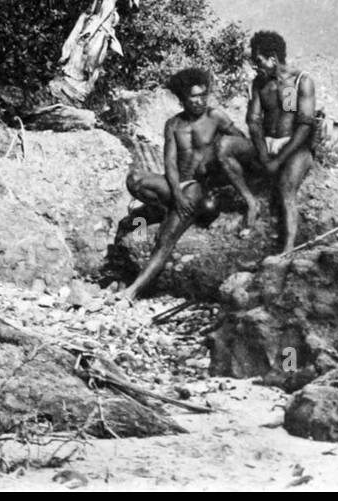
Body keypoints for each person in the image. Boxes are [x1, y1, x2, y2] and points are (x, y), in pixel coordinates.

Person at [122, 67, 241, 301]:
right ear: (182, 99)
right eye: (193, 97)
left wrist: (223, 180)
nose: (199, 101)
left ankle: (132, 291)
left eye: (203, 95)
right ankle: (155, 214)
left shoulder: (216, 116)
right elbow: (170, 163)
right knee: (134, 180)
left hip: (199, 188)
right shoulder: (173, 125)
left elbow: (240, 144)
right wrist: (176, 192)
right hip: (178, 184)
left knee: (164, 239)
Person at [215, 29, 317, 255]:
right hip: (266, 146)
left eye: (258, 61)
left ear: (273, 58)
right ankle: (251, 202)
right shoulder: (261, 84)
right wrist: (263, 154)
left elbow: (302, 125)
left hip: (294, 147)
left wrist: (279, 158)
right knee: (223, 147)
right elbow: (253, 121)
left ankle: (287, 249)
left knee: (285, 188)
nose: (255, 66)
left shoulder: (299, 81)